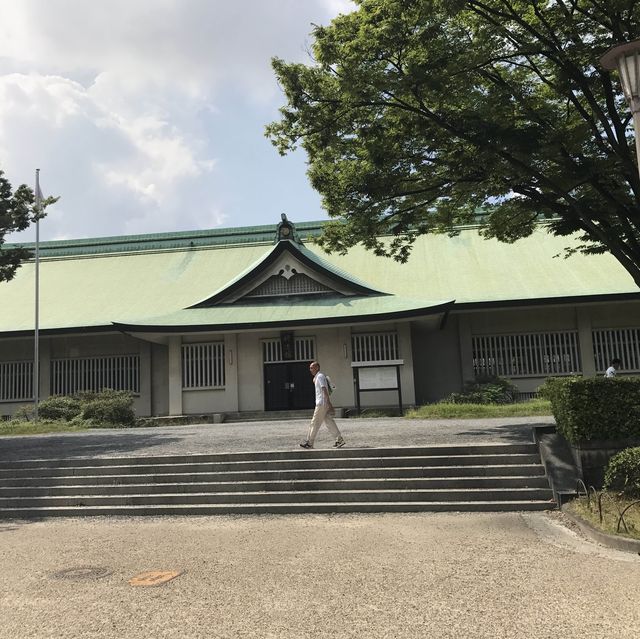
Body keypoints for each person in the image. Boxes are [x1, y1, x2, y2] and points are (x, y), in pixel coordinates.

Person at [300, 361, 345, 449]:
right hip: (323, 403)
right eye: (310, 368)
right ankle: (339, 439)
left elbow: (324, 389)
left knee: (314, 423)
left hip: (321, 403)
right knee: (329, 421)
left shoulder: (320, 376)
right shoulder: (318, 377)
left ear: (317, 368)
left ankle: (309, 442)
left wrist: (329, 403)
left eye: (312, 367)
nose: (310, 370)